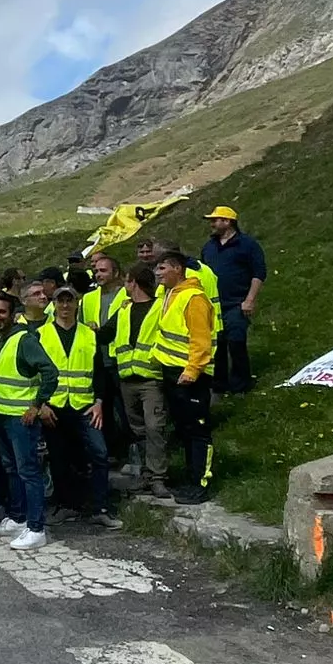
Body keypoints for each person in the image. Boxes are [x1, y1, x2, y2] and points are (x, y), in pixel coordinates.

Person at [0, 292, 58, 549]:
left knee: (28, 472)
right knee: (12, 469)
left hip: (21, 419)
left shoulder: (23, 340)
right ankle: (19, 517)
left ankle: (36, 528)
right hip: (2, 415)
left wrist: (36, 405)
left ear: (13, 314)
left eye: (1, 312)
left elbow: (50, 371)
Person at [37, 286, 120, 528]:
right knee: (59, 458)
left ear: (76, 303)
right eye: (60, 301)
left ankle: (100, 508)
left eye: (69, 301)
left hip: (85, 406)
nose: (65, 306)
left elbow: (99, 372)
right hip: (54, 406)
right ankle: (66, 506)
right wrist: (40, 404)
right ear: (54, 304)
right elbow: (34, 374)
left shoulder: (89, 334)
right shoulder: (41, 335)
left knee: (99, 454)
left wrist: (99, 402)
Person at [152, 249, 217, 504]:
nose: (158, 273)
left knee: (198, 431)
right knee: (184, 430)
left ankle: (201, 483)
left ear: (177, 269)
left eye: (162, 268)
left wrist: (192, 371)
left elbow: (201, 340)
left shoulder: (194, 298)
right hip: (173, 373)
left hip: (191, 376)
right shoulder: (171, 294)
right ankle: (190, 479)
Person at [111, 263, 171, 496]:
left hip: (151, 378)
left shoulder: (160, 307)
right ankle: (147, 474)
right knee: (138, 430)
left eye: (127, 281)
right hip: (127, 379)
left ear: (133, 282)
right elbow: (108, 333)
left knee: (155, 426)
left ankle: (158, 477)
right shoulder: (124, 310)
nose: (125, 286)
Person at [200, 205, 267, 394]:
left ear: (228, 222)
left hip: (237, 303)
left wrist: (250, 300)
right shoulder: (209, 247)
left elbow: (259, 273)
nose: (212, 224)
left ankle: (241, 385)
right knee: (217, 346)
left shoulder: (247, 245)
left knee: (236, 342)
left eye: (215, 220)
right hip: (213, 305)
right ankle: (219, 385)